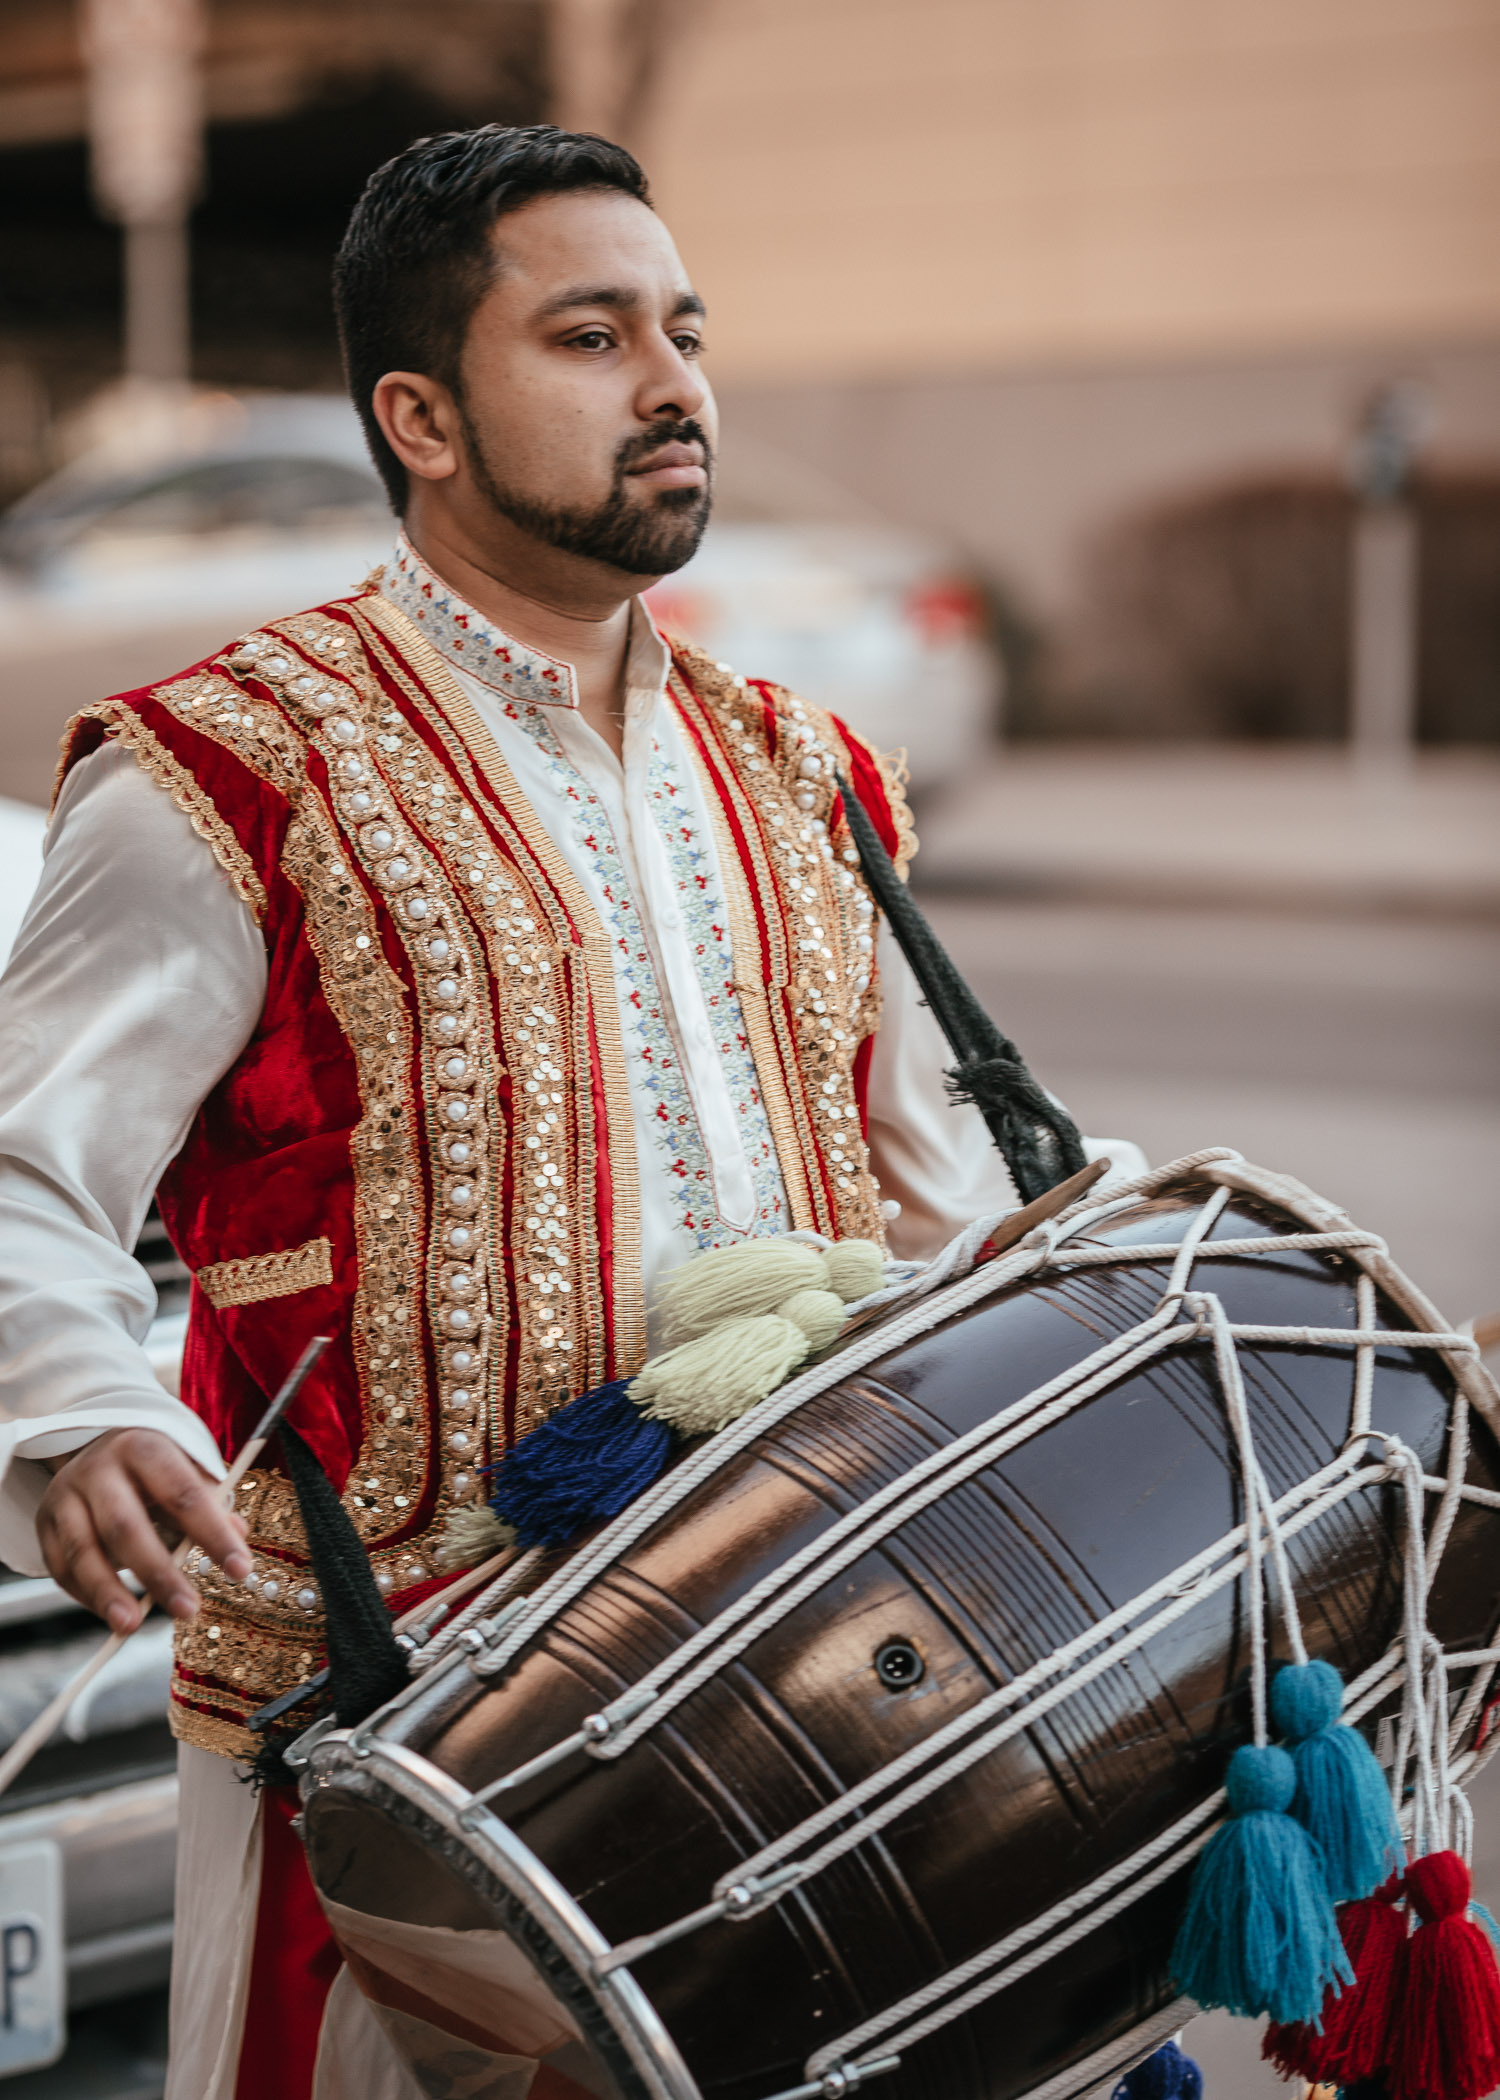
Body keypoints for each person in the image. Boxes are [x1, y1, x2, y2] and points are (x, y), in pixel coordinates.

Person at [0, 125, 1143, 2096]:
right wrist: (77, 1410)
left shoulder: (808, 769)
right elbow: (26, 1167)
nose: (674, 384)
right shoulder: (228, 769)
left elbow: (952, 1225)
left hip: (802, 1690)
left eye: (684, 333)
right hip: (394, 1745)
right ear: (421, 415)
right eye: (594, 338)